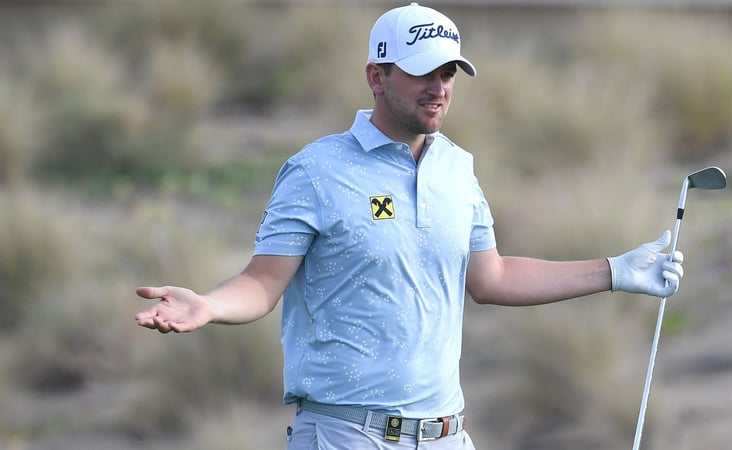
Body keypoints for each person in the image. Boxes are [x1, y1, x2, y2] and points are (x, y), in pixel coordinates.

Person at [134, 3, 684, 449]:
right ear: (377, 75)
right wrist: (208, 305)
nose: (439, 87)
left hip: (446, 435)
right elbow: (262, 282)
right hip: (345, 436)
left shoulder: (458, 168)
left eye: (448, 73)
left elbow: (491, 278)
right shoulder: (316, 170)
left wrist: (613, 271)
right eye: (423, 72)